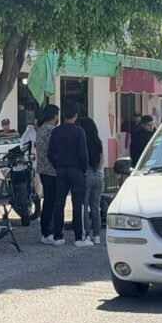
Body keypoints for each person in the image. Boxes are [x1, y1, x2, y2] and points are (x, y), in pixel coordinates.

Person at [48, 101, 89, 247]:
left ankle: (58, 236)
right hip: (76, 170)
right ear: (76, 115)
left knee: (59, 203)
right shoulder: (79, 132)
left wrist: (57, 166)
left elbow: (50, 154)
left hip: (61, 170)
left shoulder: (55, 132)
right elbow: (83, 154)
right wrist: (84, 168)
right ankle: (78, 238)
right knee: (77, 204)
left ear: (63, 114)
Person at [34, 105, 59, 245]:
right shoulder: (53, 131)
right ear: (55, 116)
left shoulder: (40, 130)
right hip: (52, 170)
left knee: (48, 200)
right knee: (52, 201)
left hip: (42, 169)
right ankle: (49, 230)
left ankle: (45, 230)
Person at [79, 116, 104, 246]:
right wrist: (97, 171)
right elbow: (101, 160)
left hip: (86, 175)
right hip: (98, 175)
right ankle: (97, 235)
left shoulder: (82, 141)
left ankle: (86, 234)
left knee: (84, 205)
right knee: (95, 206)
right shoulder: (98, 141)